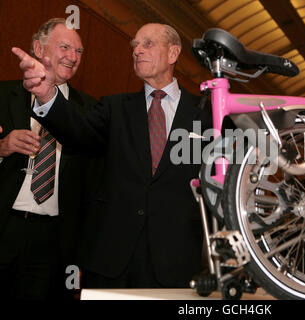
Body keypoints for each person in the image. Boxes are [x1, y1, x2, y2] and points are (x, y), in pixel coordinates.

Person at [13, 23, 212, 289]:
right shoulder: (113, 107)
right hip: (111, 260)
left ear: (174, 53)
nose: (137, 51)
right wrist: (47, 94)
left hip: (175, 262)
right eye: (134, 46)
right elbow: (78, 132)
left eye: (147, 44)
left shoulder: (206, 114)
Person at [0, 18, 97, 300]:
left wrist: (83, 255)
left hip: (52, 239)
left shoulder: (91, 111)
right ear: (38, 49)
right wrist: (2, 147)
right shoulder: (3, 95)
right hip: (4, 224)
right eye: (65, 47)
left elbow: (92, 189)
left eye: (79, 52)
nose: (73, 57)